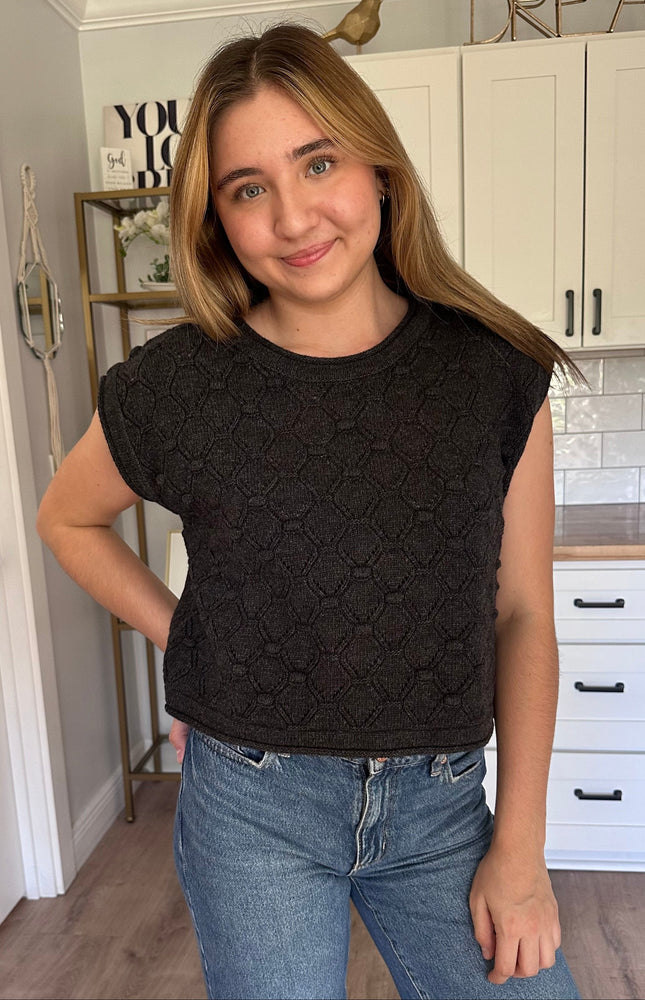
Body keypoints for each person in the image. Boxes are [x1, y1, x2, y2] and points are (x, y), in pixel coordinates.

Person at [37, 22, 585, 1000]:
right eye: (248, 189)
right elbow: (67, 520)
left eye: (318, 162)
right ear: (217, 218)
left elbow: (523, 614)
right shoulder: (177, 386)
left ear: (377, 168)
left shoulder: (495, 373)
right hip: (252, 807)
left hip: (441, 809)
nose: (293, 217)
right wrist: (185, 636)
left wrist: (521, 850)